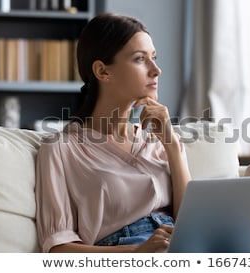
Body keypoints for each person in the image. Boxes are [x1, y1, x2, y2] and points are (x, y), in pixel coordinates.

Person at [35, 13, 191, 253]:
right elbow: (59, 249)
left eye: (154, 58)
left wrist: (172, 145)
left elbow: (191, 222)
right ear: (102, 71)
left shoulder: (159, 140)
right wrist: (137, 254)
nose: (156, 70)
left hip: (179, 248)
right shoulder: (61, 147)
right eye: (140, 59)